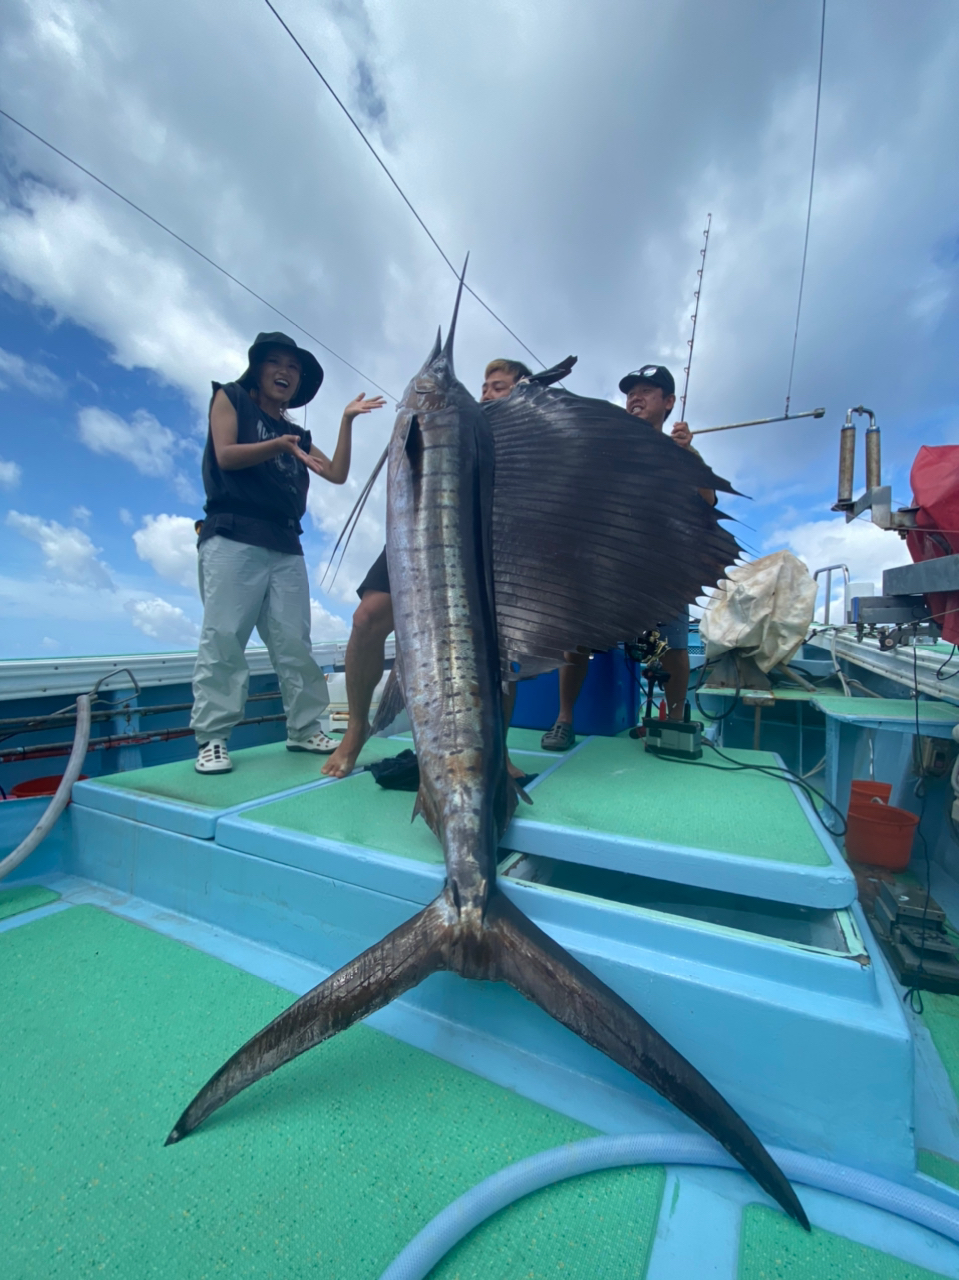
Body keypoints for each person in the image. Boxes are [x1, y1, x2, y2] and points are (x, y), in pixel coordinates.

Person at [321, 357, 533, 780]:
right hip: (422, 530)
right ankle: (357, 729)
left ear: (524, 392)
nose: (487, 393)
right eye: (485, 385)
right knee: (366, 617)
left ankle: (496, 747)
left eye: (500, 387)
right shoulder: (460, 416)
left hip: (493, 536)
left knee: (499, 645)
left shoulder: (528, 432)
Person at [191, 331, 385, 773]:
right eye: (275, 362)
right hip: (233, 532)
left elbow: (334, 472)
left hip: (285, 541)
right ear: (257, 368)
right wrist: (277, 446)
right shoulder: (230, 397)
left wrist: (347, 420)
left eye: (293, 367)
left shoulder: (296, 432)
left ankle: (304, 729)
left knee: (294, 642)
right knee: (224, 637)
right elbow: (226, 455)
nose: (284, 372)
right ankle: (213, 738)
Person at [539, 363, 715, 751]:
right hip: (607, 566)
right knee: (577, 637)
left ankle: (674, 719)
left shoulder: (683, 453)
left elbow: (707, 502)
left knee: (672, 646)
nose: (636, 397)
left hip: (660, 571)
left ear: (668, 403)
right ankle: (564, 719)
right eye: (631, 391)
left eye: (648, 391)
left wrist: (688, 458)